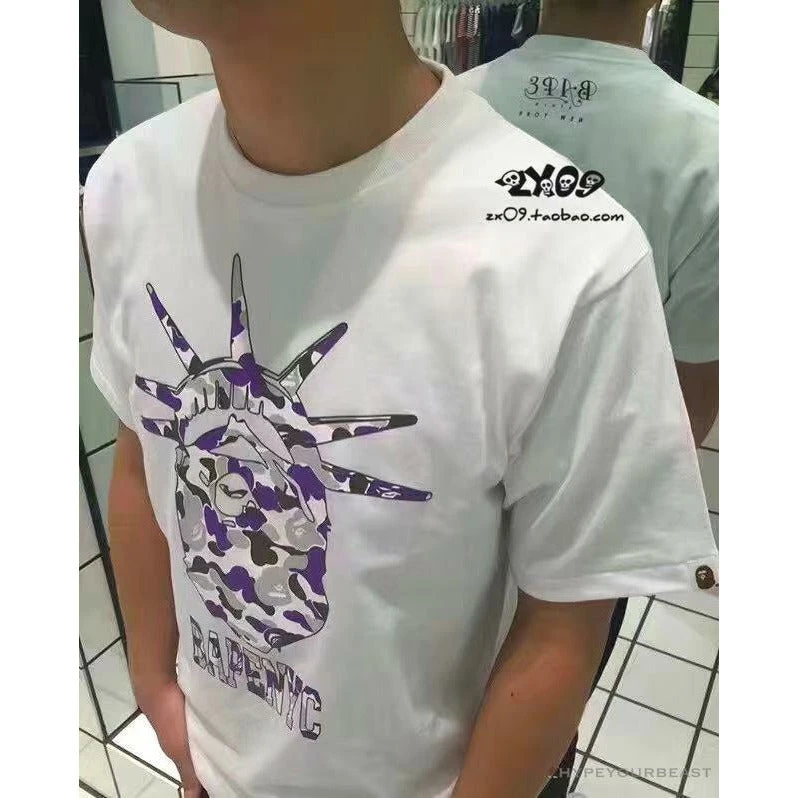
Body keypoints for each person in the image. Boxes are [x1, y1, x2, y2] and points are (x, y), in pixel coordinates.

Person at [84, 2, 719, 797]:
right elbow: (141, 459)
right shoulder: (127, 184)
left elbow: (566, 613)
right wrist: (159, 693)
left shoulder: (575, 255)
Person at [460, 2, 720, 793]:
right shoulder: (715, 153)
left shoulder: (442, 109)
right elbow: (686, 404)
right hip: (586, 519)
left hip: (433, 497)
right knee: (546, 698)